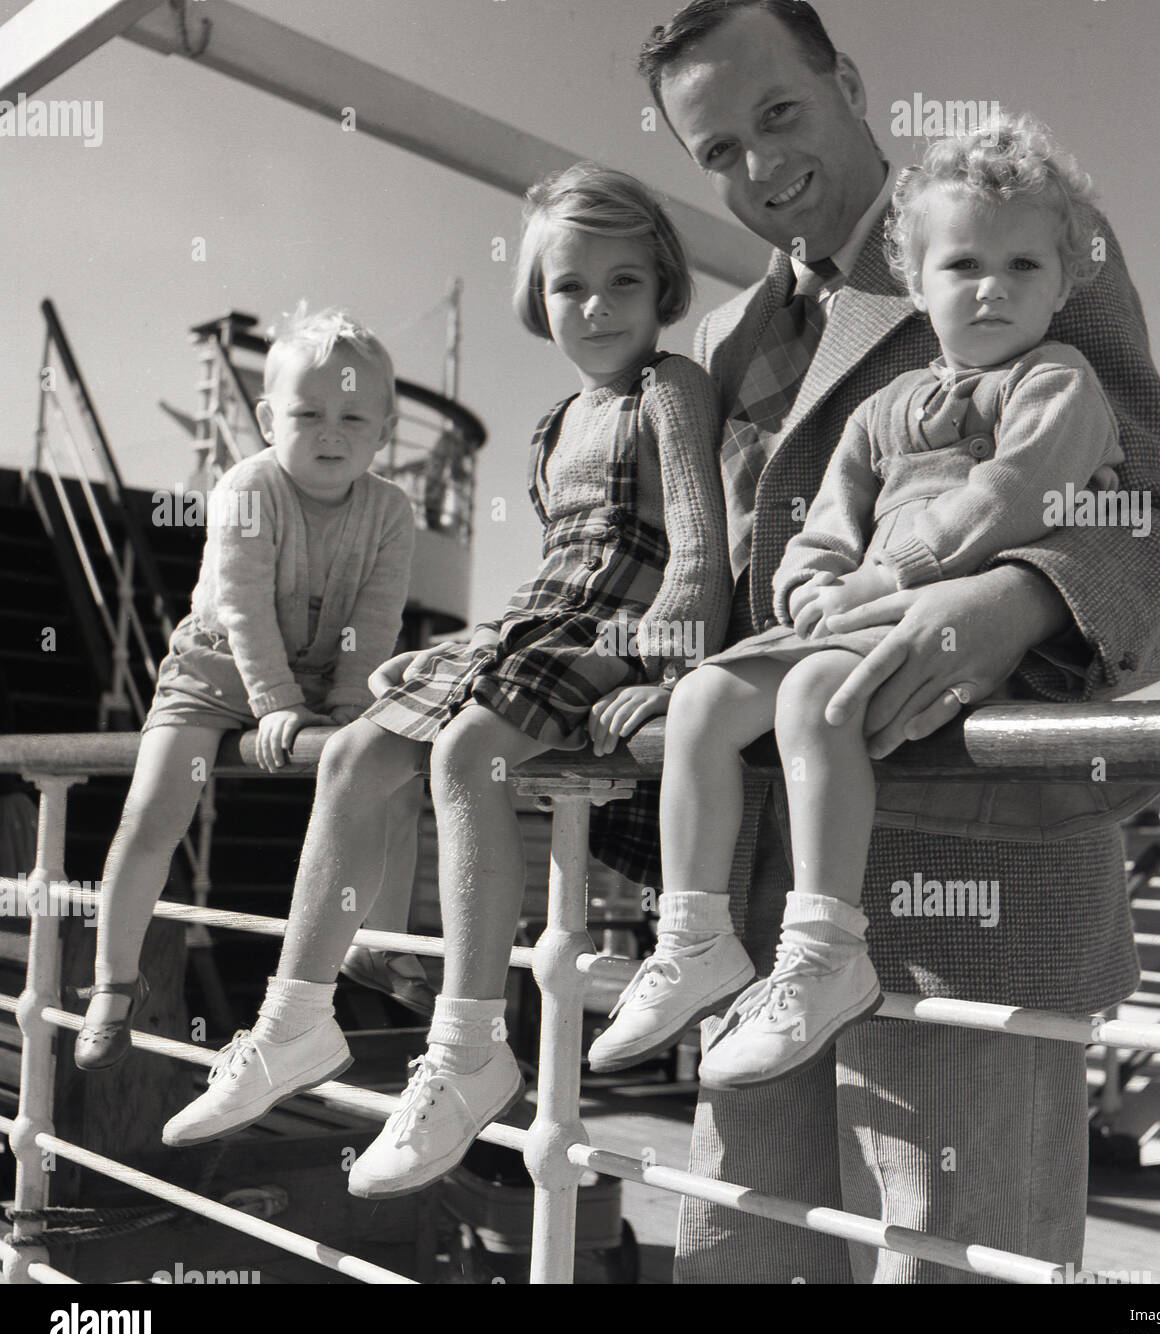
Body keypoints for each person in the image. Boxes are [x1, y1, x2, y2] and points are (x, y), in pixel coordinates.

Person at [600, 0, 1160, 1282]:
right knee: (739, 1261)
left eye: (778, 113)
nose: (759, 166)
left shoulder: (1018, 235)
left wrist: (1018, 601)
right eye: (716, 150)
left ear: (846, 78)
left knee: (944, 1269)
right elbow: (722, 585)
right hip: (758, 911)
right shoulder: (721, 343)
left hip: (975, 888)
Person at [161, 164, 732, 1201]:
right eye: (569, 287)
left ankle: (470, 1041)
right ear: (538, 296)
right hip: (541, 612)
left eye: (622, 284)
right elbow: (559, 555)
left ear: (663, 292)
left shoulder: (671, 389)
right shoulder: (554, 423)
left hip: (618, 617)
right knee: (355, 751)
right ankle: (296, 1014)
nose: (594, 307)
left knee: (469, 755)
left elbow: (696, 545)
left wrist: (672, 665)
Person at [591, 111, 1127, 1087]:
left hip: (943, 623)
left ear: (1064, 280)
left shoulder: (1057, 381)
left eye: (1023, 267)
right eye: (964, 265)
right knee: (705, 700)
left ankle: (828, 949)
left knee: (811, 701)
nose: (994, 288)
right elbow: (825, 525)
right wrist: (811, 586)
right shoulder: (886, 411)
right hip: (852, 616)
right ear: (917, 284)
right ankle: (692, 933)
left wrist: (892, 574)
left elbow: (1013, 497)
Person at [74, 305, 416, 1071]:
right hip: (219, 666)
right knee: (153, 810)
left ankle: (373, 943)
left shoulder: (391, 511)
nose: (331, 432)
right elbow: (243, 606)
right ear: (268, 419)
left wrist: (347, 704)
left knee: (394, 770)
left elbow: (376, 612)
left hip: (327, 671)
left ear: (384, 432)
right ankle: (113, 984)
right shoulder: (247, 487)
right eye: (308, 413)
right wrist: (276, 707)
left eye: (354, 416)